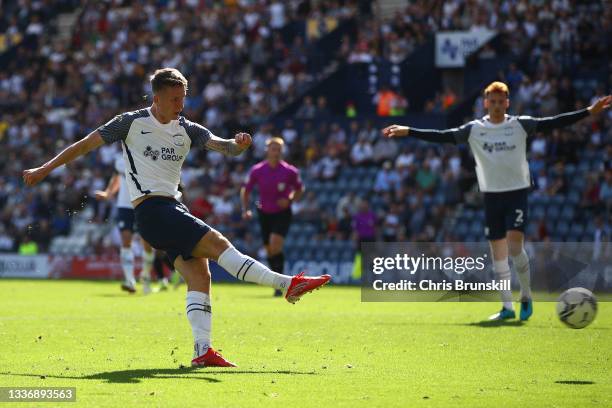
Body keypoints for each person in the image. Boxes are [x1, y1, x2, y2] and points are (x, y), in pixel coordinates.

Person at [23, 67, 331, 367]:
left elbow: (221, 146)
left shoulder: (187, 128)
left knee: (200, 275)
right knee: (219, 244)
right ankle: (287, 283)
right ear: (156, 98)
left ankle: (202, 350)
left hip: (171, 210)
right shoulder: (130, 123)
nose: (180, 106)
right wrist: (43, 170)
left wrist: (237, 145)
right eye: (174, 99)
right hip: (152, 211)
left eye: (183, 99)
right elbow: (84, 145)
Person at [382, 81, 611, 322]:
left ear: (508, 103)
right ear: (485, 103)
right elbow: (443, 137)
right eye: (493, 102)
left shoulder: (520, 124)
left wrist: (588, 112)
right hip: (491, 195)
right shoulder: (475, 129)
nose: (497, 106)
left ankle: (525, 295)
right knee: (497, 252)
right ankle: (506, 307)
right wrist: (409, 130)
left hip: (516, 192)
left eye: (502, 102)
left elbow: (553, 122)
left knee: (514, 246)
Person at [240, 137, 304, 296]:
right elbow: (246, 190)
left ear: (282, 151)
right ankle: (278, 282)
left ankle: (281, 284)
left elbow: (300, 189)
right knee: (269, 250)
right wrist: (245, 209)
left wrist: (289, 199)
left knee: (275, 244)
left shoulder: (290, 171)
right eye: (273, 148)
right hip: (264, 213)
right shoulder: (257, 170)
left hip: (282, 213)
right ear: (267, 150)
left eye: (279, 149)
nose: (276, 152)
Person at [95, 153, 155, 294]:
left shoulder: (145, 154)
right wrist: (108, 193)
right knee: (126, 241)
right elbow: (117, 178)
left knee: (147, 244)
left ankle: (145, 275)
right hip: (124, 205)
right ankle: (130, 281)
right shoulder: (119, 160)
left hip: (143, 204)